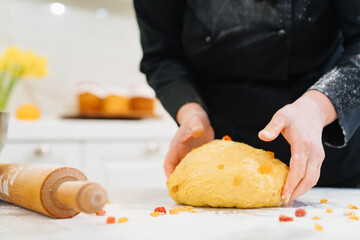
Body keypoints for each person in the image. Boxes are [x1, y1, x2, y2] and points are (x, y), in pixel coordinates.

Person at [134, 0, 360, 204]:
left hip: (321, 147)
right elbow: (162, 55)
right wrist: (190, 111)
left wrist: (317, 107)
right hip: (218, 150)